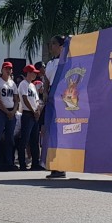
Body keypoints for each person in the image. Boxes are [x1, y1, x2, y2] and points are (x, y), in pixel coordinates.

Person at [44, 35, 67, 179]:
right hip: (51, 98)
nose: (51, 46)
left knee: (60, 133)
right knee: (52, 133)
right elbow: (46, 79)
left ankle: (61, 166)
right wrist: (45, 91)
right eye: (50, 43)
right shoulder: (50, 63)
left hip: (61, 97)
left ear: (61, 46)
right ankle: (54, 165)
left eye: (54, 43)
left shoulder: (66, 61)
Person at [0, 61, 18, 172]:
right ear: (2, 70)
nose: (8, 70)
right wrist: (6, 111)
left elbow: (16, 99)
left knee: (10, 139)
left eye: (10, 69)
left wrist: (14, 110)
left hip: (11, 111)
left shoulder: (13, 83)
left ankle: (9, 162)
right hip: (0, 111)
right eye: (6, 68)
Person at [18, 65, 42, 170]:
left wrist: (37, 111)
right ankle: (22, 163)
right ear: (28, 73)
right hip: (27, 114)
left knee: (35, 140)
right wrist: (33, 111)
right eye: (34, 72)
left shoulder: (32, 85)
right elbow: (25, 98)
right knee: (25, 139)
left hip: (34, 114)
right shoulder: (23, 84)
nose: (35, 74)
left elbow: (36, 100)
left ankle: (35, 163)